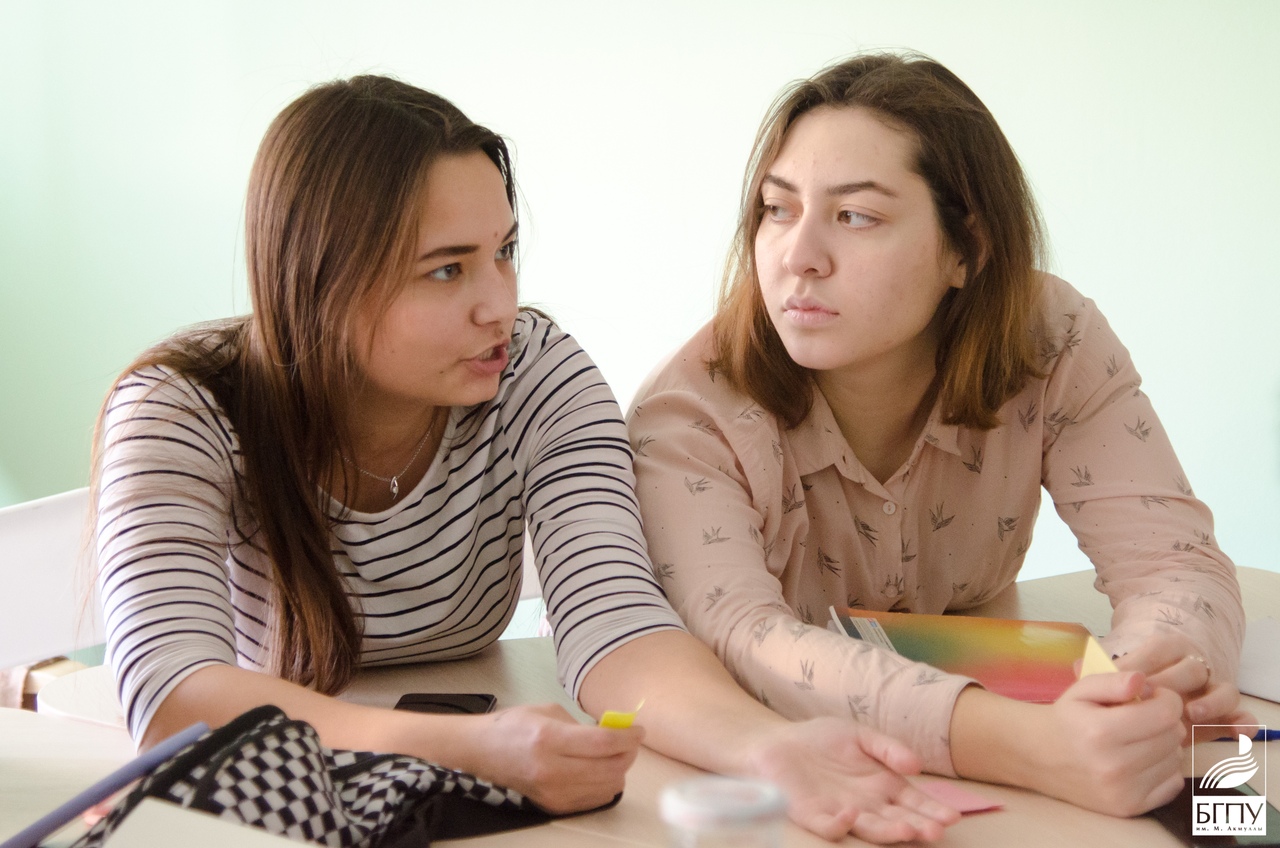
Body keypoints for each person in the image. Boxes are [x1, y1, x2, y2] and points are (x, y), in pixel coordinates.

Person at [91, 74, 962, 844]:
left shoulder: (536, 376)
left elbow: (616, 622)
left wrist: (764, 747)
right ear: (320, 278)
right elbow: (175, 699)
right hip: (272, 807)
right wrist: (465, 747)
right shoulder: (180, 409)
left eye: (504, 253)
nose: (498, 306)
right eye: (447, 270)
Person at [628, 52, 1251, 818]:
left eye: (856, 216)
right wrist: (1032, 744)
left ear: (968, 248)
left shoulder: (1052, 339)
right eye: (777, 209)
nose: (798, 257)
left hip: (987, 765)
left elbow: (1172, 563)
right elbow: (744, 640)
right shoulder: (692, 414)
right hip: (785, 792)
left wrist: (1139, 686)